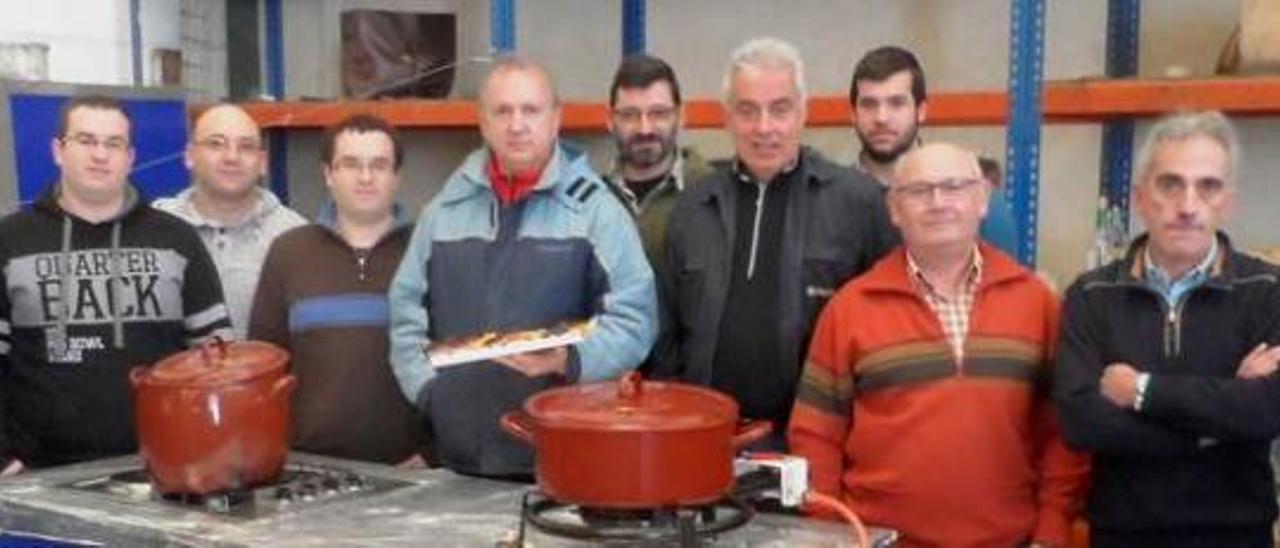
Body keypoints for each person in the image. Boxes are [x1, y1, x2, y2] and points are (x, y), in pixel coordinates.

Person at [788, 142, 1088, 546]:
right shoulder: (850, 310)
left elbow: (1064, 432)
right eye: (919, 191)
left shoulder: (1037, 303)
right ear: (894, 209)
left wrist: (1052, 529)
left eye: (954, 187)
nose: (938, 202)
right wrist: (833, 536)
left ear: (982, 200)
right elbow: (816, 438)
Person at [388, 57, 657, 478]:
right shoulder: (442, 214)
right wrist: (431, 394)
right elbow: (405, 314)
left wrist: (567, 360)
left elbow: (635, 321)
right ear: (483, 123)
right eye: (503, 111)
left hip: (561, 463)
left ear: (555, 119)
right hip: (458, 462)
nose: (517, 124)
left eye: (530, 110)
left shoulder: (597, 214)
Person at [655, 38, 896, 449]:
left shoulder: (858, 202)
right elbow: (667, 334)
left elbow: (889, 329)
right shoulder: (693, 207)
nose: (764, 127)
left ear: (804, 113)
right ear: (727, 118)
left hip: (814, 443)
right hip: (704, 440)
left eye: (779, 109)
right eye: (747, 110)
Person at [1055, 110, 1280, 547]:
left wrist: (1143, 391)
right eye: (1170, 184)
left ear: (1228, 201)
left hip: (1236, 535)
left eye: (1208, 186)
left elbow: (1268, 411)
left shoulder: (1267, 292)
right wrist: (1218, 418)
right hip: (1124, 535)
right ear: (1140, 197)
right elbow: (1082, 422)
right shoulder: (1092, 296)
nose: (1188, 205)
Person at [0, 95, 232, 474]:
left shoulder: (178, 240)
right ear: (58, 150)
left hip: (161, 472)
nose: (100, 155)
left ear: (131, 157)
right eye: (86, 141)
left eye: (113, 144)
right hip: (38, 477)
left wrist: (207, 451)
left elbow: (217, 361)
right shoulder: (9, 242)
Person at [249, 114, 425, 466]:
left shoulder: (429, 251)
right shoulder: (289, 252)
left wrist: (433, 453)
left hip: (413, 470)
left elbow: (455, 364)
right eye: (350, 164)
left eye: (379, 165)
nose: (365, 177)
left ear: (397, 176)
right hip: (307, 470)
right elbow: (263, 366)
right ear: (328, 174)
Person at [154, 104, 306, 339]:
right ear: (189, 156)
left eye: (246, 147)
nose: (232, 157)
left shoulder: (296, 237)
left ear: (263, 162)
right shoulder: (155, 229)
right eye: (216, 144)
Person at [850, 45, 1019, 256]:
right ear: (853, 114)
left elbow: (1007, 285)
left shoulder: (977, 202)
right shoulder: (826, 203)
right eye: (869, 104)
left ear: (921, 111)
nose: (881, 117)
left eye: (896, 103)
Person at [602, 54, 711, 268]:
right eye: (630, 115)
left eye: (658, 113)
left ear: (681, 117)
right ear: (610, 120)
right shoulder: (591, 200)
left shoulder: (712, 196)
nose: (645, 129)